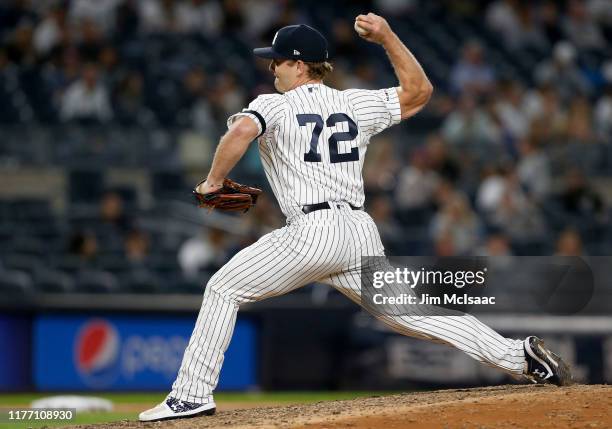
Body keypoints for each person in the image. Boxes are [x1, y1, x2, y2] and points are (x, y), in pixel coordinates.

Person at [140, 13, 571, 422]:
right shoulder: (356, 104)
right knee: (412, 315)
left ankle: (191, 395)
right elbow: (419, 91)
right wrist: (387, 36)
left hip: (312, 231)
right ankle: (520, 356)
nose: (271, 68)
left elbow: (239, 131)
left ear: (299, 65)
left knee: (222, 288)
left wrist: (213, 182)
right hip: (358, 232)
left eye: (277, 60)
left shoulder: (273, 105)